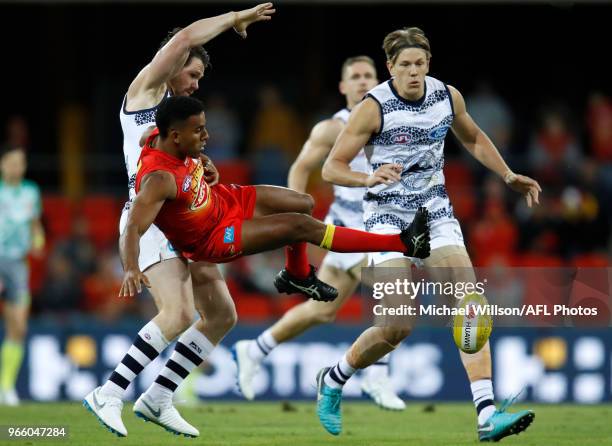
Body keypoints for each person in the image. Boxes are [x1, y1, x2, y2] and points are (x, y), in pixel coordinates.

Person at [319, 27, 541, 441]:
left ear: (428, 64)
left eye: (420, 63)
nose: (414, 72)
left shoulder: (446, 96)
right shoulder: (374, 107)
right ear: (390, 68)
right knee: (397, 326)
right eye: (405, 65)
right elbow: (332, 168)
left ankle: (487, 414)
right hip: (386, 220)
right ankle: (334, 378)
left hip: (434, 212)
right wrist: (368, 180)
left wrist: (507, 174)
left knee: (470, 304)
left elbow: (472, 136)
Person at [83, 3, 275, 438]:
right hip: (150, 218)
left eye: (200, 79)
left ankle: (158, 397)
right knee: (179, 312)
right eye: (192, 75)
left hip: (189, 218)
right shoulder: (145, 94)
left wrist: (204, 169)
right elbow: (187, 37)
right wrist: (232, 19)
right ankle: (109, 393)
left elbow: (180, 164)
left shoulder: (177, 120)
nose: (196, 82)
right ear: (171, 65)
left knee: (222, 314)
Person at [232, 56, 404, 410]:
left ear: (379, 80)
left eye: (367, 75)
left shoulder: (396, 120)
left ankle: (255, 348)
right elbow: (300, 167)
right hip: (350, 227)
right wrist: (297, 213)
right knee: (392, 289)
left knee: (321, 311)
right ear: (342, 87)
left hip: (384, 222)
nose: (361, 81)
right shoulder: (331, 128)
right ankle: (378, 375)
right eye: (353, 77)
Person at [0, 144, 45, 406]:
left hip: (18, 263)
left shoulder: (31, 191)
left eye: (21, 163)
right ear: (3, 165)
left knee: (18, 326)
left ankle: (6, 386)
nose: (17, 167)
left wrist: (38, 239)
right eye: (12, 162)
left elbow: (35, 223)